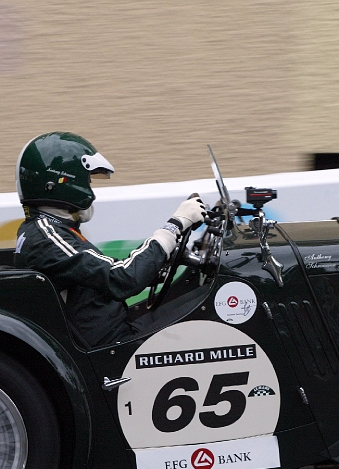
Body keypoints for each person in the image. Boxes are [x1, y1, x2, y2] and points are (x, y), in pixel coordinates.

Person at [14, 132, 206, 347]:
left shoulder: (46, 229)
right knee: (203, 325)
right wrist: (174, 226)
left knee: (194, 303)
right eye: (87, 181)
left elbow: (101, 275)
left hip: (111, 328)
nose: (90, 190)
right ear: (63, 182)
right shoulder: (47, 237)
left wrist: (159, 264)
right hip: (112, 343)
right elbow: (122, 278)